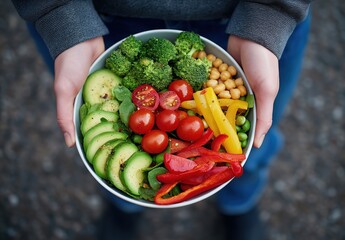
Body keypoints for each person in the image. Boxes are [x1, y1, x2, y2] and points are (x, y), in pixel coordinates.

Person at [11, 0, 313, 239]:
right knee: (107, 156)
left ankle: (239, 204)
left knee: (257, 142)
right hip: (97, 18)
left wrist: (270, 13)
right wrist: (62, 14)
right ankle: (124, 204)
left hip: (245, 16)